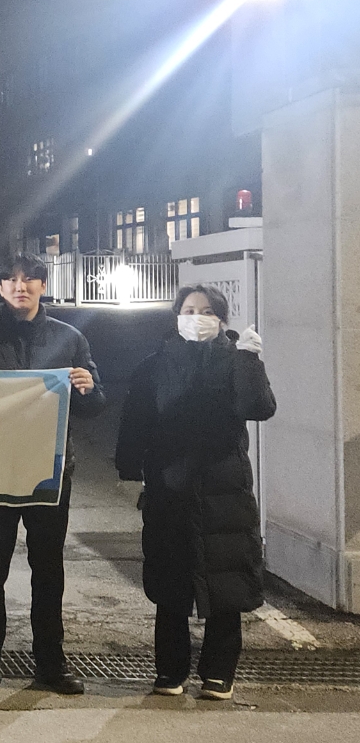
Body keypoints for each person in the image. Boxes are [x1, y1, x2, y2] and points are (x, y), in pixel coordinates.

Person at [0, 253, 105, 695]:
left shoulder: (69, 337)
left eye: (30, 279)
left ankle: (50, 664)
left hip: (49, 472)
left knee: (48, 569)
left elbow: (94, 406)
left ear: (42, 286)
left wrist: (88, 388)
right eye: (11, 280)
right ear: (0, 288)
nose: (21, 286)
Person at [115, 285, 275, 701]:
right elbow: (136, 420)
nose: (196, 317)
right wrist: (129, 466)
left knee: (226, 581)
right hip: (170, 486)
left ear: (221, 319)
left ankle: (219, 672)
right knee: (170, 581)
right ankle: (170, 671)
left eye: (206, 311)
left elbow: (259, 408)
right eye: (188, 310)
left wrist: (250, 361)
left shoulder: (236, 359)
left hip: (225, 487)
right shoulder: (156, 364)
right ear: (176, 316)